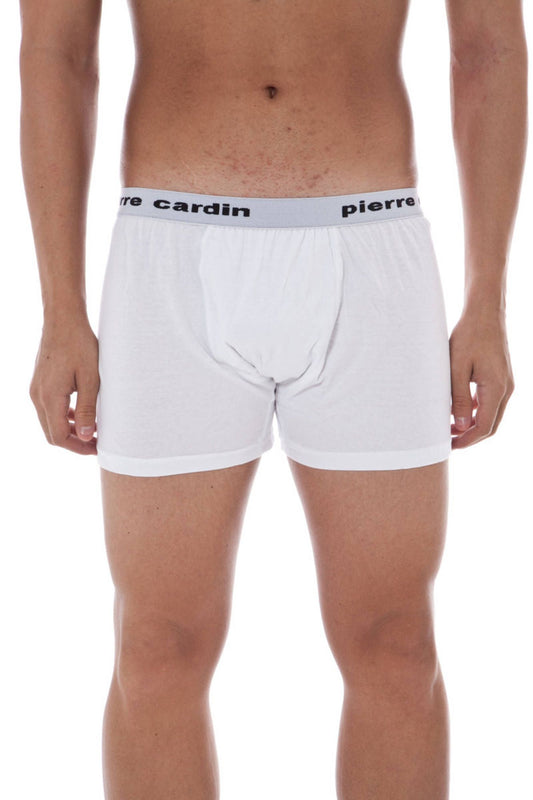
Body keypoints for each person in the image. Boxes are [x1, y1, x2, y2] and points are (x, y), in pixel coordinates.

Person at [20, 0, 527, 797]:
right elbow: (57, 54)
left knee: (396, 643)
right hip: (168, 252)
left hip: (373, 249)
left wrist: (487, 300)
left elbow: (488, 47)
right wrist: (60, 312)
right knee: (156, 649)